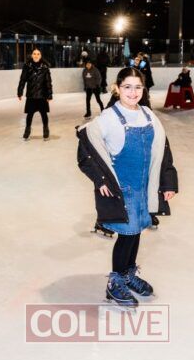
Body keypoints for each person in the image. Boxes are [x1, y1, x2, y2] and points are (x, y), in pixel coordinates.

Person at [76, 67, 178, 308]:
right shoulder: (109, 118)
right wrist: (101, 180)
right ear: (117, 88)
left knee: (136, 232)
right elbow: (85, 150)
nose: (133, 92)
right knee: (126, 236)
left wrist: (167, 182)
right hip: (123, 190)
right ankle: (115, 283)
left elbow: (162, 151)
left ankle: (127, 274)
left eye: (138, 87)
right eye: (127, 87)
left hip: (145, 187)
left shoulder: (148, 115)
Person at [17, 48, 53, 141]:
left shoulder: (45, 67)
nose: (36, 55)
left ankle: (46, 129)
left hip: (42, 96)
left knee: (44, 114)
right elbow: (22, 80)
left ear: (40, 56)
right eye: (34, 53)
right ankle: (27, 130)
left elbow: (48, 82)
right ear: (32, 55)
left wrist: (49, 94)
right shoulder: (27, 66)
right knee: (29, 115)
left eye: (38, 54)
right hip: (31, 96)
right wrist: (20, 91)